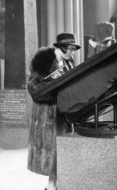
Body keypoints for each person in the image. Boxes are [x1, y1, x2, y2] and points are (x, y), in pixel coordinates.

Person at [27, 33, 81, 190]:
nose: (73, 52)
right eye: (71, 49)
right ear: (62, 47)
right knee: (54, 158)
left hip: (62, 115)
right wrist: (55, 84)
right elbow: (33, 87)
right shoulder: (44, 58)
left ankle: (52, 187)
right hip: (46, 117)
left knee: (60, 158)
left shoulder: (68, 62)